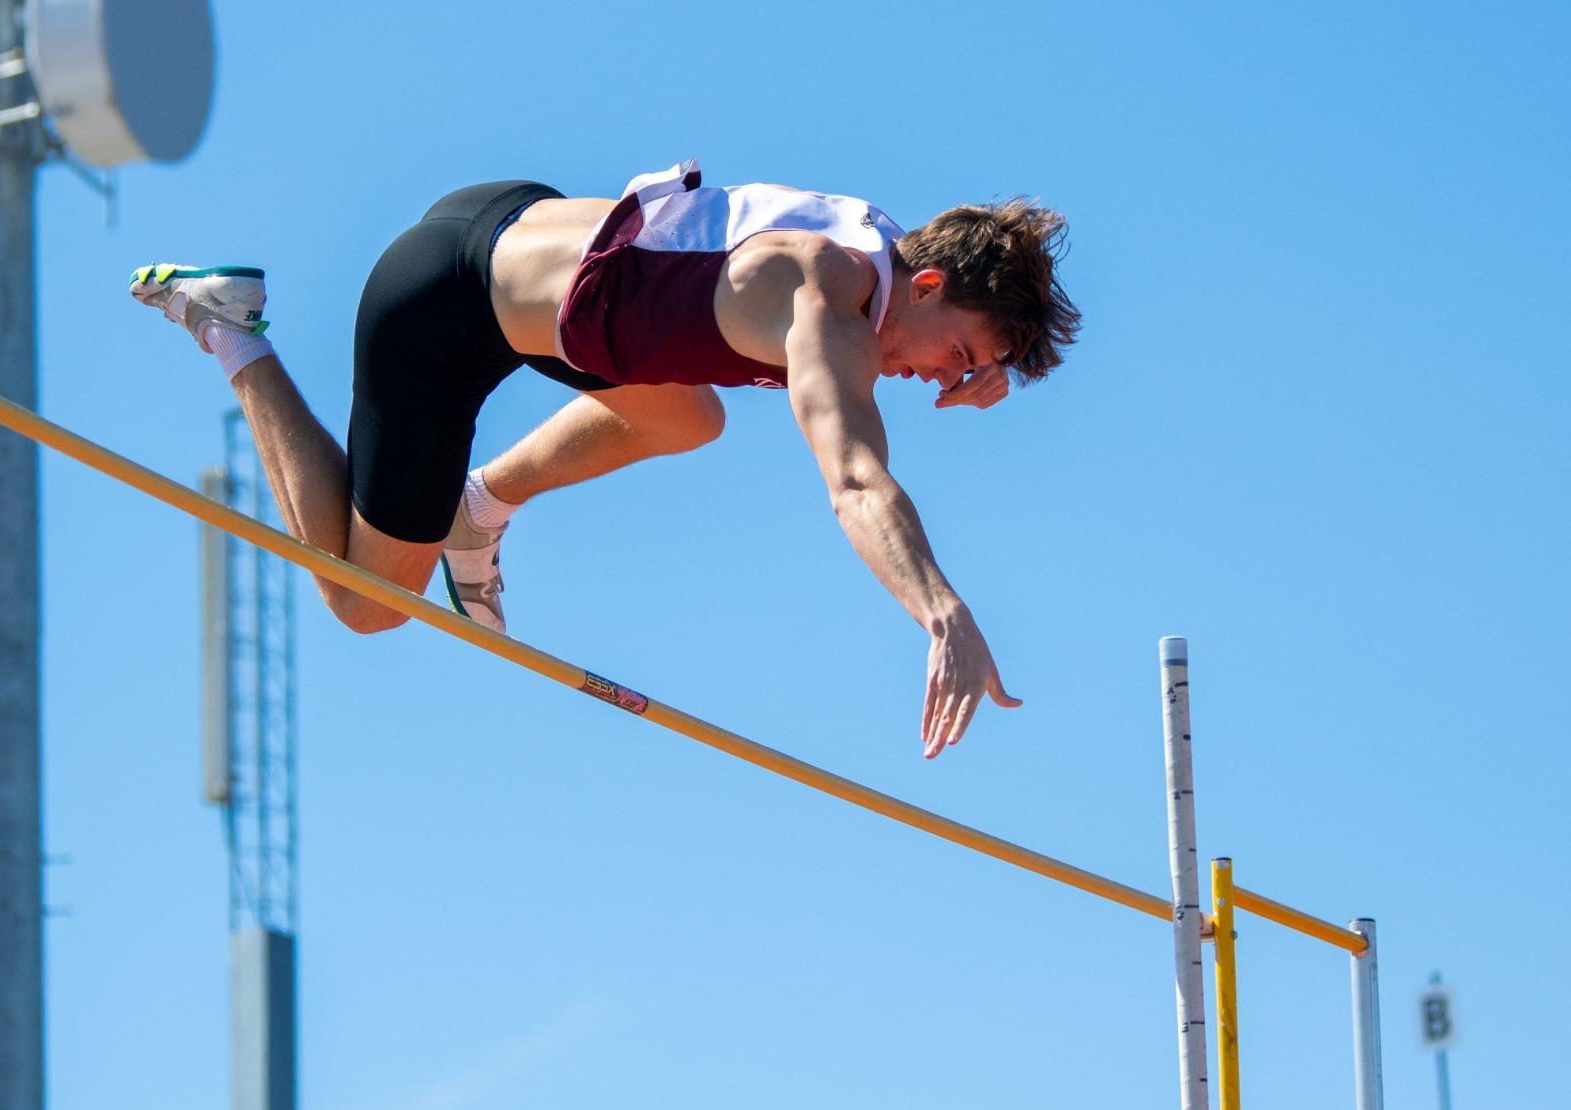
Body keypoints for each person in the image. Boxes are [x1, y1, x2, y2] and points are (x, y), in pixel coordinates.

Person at [129, 160, 1079, 757]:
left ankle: (480, 509)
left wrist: (978, 359)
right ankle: (230, 330)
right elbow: (856, 478)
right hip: (439, 312)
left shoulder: (864, 244)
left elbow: (886, 347)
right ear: (924, 283)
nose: (943, 381)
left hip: (513, 225)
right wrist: (940, 609)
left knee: (688, 417)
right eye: (958, 358)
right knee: (368, 602)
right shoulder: (824, 297)